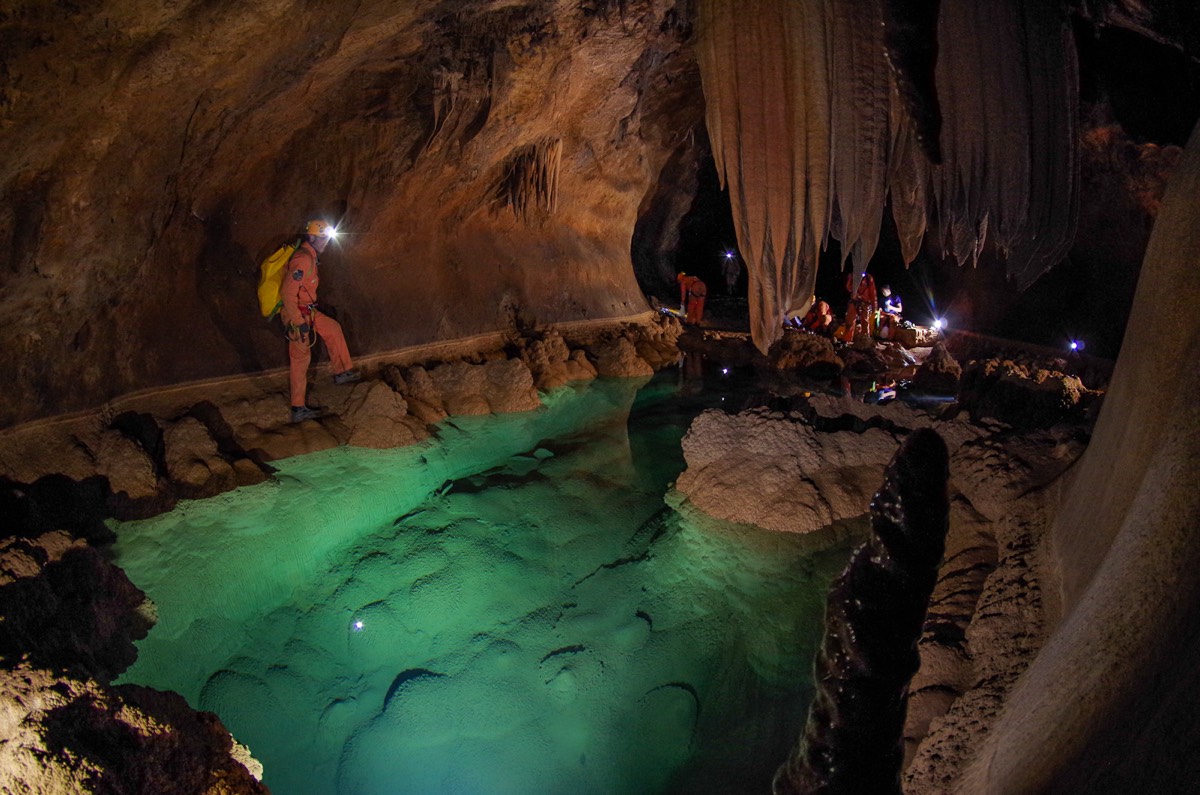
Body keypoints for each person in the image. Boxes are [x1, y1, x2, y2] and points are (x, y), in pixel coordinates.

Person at [281, 219, 361, 422]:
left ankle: (341, 371)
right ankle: (298, 408)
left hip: (309, 311)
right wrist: (299, 323)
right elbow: (288, 294)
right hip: (296, 315)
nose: (326, 243)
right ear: (312, 237)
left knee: (333, 328)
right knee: (301, 358)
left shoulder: (311, 256)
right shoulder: (303, 259)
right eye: (323, 239)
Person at [840, 271, 877, 343]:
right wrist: (850, 279)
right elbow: (849, 288)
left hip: (865, 303)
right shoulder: (853, 276)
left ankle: (865, 340)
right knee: (850, 320)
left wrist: (874, 306)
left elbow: (873, 293)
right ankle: (847, 339)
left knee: (865, 322)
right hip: (854, 301)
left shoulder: (868, 278)